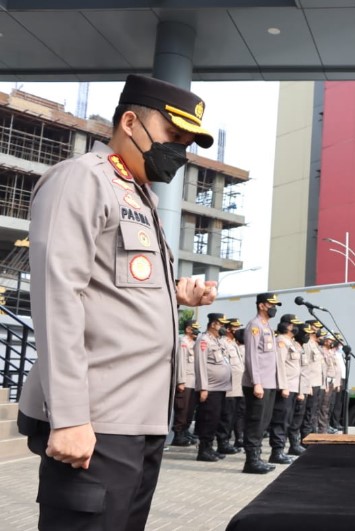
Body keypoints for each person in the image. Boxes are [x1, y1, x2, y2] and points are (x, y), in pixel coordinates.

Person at [17, 73, 217, 530]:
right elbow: (56, 294)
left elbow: (117, 287)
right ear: (130, 121)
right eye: (173, 136)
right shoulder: (82, 180)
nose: (179, 153)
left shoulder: (139, 195)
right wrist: (68, 417)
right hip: (96, 421)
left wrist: (179, 293)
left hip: (140, 423)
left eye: (187, 143)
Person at [242, 292, 283, 474]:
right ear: (261, 305)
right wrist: (256, 382)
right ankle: (251, 461)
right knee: (255, 422)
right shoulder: (255, 326)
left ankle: (258, 457)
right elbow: (251, 356)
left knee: (264, 422)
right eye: (270, 304)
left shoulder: (268, 327)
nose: (273, 308)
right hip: (257, 384)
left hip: (269, 383)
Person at [194, 313, 232, 462]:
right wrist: (203, 387)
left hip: (221, 387)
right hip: (210, 387)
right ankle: (203, 450)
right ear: (214, 324)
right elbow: (200, 365)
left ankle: (210, 448)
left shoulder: (218, 341)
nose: (223, 327)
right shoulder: (203, 340)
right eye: (221, 324)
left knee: (216, 419)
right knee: (208, 419)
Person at [267, 314, 303, 464]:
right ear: (287, 326)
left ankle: (281, 450)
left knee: (287, 419)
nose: (295, 328)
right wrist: (283, 386)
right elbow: (280, 365)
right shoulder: (281, 341)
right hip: (286, 386)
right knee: (280, 420)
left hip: (293, 386)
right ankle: (276, 452)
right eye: (293, 325)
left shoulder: (292, 343)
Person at [216, 318, 244, 455]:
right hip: (229, 386)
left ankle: (228, 441)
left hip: (238, 387)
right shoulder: (222, 343)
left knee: (234, 416)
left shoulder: (233, 343)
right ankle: (223, 443)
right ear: (228, 329)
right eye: (235, 327)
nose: (238, 330)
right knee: (226, 417)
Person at [286, 323, 314, 456]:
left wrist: (307, 388)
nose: (307, 336)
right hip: (297, 389)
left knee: (300, 417)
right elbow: (294, 372)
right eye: (305, 333)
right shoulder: (294, 347)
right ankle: (293, 444)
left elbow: (305, 371)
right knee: (295, 419)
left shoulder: (302, 348)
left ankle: (296, 444)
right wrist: (300, 392)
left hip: (303, 388)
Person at [173, 319, 201, 447]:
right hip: (185, 381)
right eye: (194, 328)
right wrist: (180, 381)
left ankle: (185, 431)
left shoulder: (194, 343)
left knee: (190, 410)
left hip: (194, 382)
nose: (196, 330)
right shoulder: (183, 342)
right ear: (188, 329)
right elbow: (180, 363)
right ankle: (178, 435)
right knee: (182, 410)